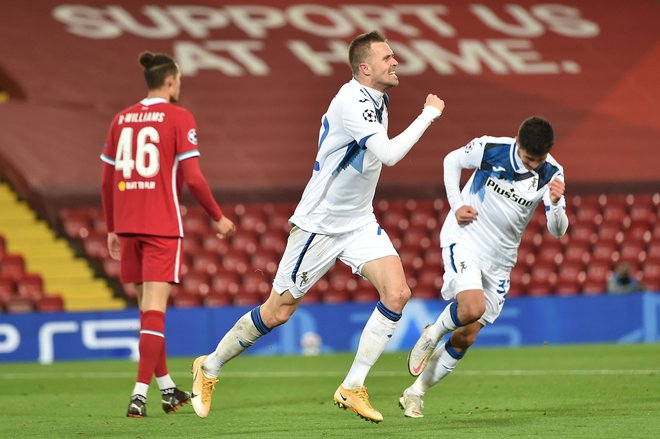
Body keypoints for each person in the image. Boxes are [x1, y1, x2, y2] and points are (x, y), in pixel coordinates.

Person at [191, 30, 445, 423]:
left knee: (397, 293)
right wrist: (429, 114)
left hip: (358, 220)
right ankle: (210, 366)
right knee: (277, 313)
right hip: (320, 225)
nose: (396, 62)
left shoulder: (379, 98)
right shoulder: (352, 100)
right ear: (365, 68)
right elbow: (390, 155)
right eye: (387, 57)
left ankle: (352, 386)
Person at [399, 116, 568, 418]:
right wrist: (455, 205)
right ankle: (431, 335)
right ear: (518, 144)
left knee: (467, 335)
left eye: (538, 159)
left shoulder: (551, 172)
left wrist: (555, 203)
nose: (533, 165)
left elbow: (557, 231)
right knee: (472, 307)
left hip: (501, 259)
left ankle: (415, 393)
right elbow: (452, 160)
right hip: (467, 237)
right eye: (529, 158)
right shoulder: (491, 148)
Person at [100, 51, 236, 418]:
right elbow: (192, 177)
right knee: (156, 313)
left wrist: (112, 225)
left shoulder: (121, 119)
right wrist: (218, 217)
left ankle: (167, 389)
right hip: (160, 224)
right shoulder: (179, 116)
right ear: (172, 82)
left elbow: (107, 180)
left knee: (147, 313)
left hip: (127, 224)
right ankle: (139, 394)